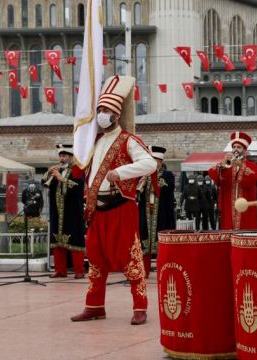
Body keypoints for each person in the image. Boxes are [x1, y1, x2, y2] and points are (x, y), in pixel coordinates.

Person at [71, 75, 156, 324]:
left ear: (117, 115)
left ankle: (140, 308)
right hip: (97, 210)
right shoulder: (94, 142)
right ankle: (95, 306)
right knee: (96, 260)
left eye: (106, 110)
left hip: (120, 207)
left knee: (130, 257)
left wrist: (120, 172)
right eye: (100, 110)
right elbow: (79, 170)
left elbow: (149, 163)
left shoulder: (128, 140)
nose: (102, 114)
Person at [42, 144, 85, 279]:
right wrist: (49, 174)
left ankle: (79, 271)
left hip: (72, 212)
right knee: (57, 242)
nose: (62, 159)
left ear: (71, 157)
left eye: (65, 156)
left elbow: (79, 188)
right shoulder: (57, 169)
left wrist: (62, 179)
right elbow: (44, 183)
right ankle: (60, 270)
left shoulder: (77, 169)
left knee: (74, 241)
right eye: (60, 156)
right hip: (57, 211)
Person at [208, 132, 257, 230]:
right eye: (234, 147)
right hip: (228, 206)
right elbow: (212, 173)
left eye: (239, 147)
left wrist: (241, 166)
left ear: (245, 150)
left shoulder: (253, 165)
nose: (235, 149)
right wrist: (222, 163)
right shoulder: (227, 165)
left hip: (246, 207)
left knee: (246, 230)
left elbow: (253, 179)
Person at [138, 146, 176, 266]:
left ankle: (162, 267)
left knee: (160, 242)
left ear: (161, 162)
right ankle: (145, 270)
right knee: (144, 240)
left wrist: (157, 181)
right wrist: (141, 184)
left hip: (161, 213)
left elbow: (168, 190)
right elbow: (138, 194)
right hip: (146, 212)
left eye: (156, 161)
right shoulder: (144, 174)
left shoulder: (167, 175)